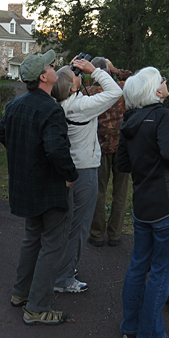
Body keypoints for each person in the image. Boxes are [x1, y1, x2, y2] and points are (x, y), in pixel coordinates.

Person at [0, 49, 79, 326]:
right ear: (44, 77)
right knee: (53, 245)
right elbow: (56, 149)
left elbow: (2, 133)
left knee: (32, 238)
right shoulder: (51, 109)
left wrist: (26, 156)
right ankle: (37, 307)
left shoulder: (15, 105)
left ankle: (21, 293)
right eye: (51, 66)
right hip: (49, 188)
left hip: (27, 185)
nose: (56, 68)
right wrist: (70, 175)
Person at [117, 67, 169, 338]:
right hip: (168, 203)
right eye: (162, 79)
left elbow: (123, 164)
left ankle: (130, 328)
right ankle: (150, 337)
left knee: (139, 265)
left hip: (143, 204)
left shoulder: (130, 120)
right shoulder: (162, 115)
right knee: (161, 271)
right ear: (155, 90)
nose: (165, 82)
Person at [50, 56, 122, 293]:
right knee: (79, 227)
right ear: (72, 87)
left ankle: (61, 269)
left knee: (66, 225)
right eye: (75, 76)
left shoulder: (64, 102)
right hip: (84, 171)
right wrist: (94, 71)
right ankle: (64, 278)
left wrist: (70, 73)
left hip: (70, 169)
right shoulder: (79, 107)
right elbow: (114, 92)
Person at [86, 57, 132, 248]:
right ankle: (114, 234)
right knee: (120, 192)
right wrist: (116, 69)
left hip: (100, 147)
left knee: (99, 191)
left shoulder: (89, 92)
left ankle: (96, 234)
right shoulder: (122, 87)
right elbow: (138, 77)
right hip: (123, 146)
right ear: (108, 70)